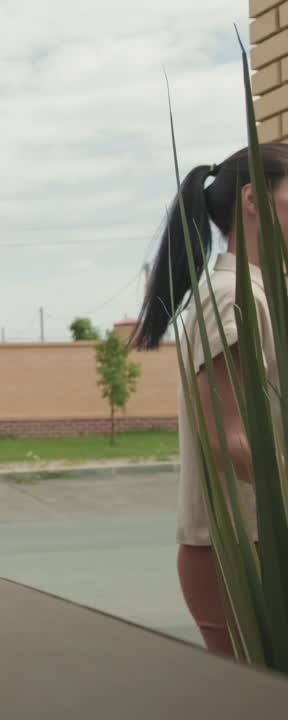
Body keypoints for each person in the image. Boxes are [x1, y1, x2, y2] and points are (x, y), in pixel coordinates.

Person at [131, 143, 288, 655]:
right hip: (243, 556)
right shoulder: (233, 296)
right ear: (254, 199)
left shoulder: (262, 295)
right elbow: (229, 439)